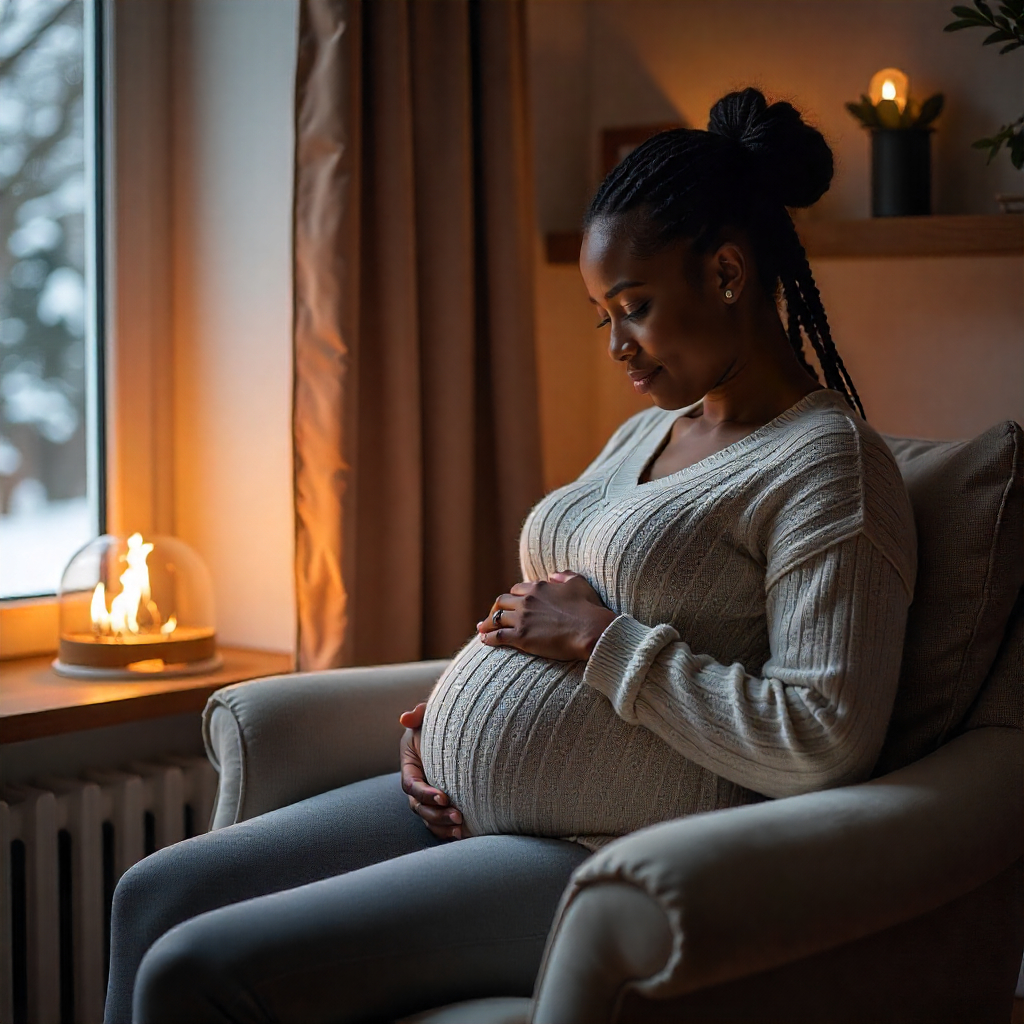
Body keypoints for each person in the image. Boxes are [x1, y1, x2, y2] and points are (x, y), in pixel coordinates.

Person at [106, 88, 916, 1024]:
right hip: (448, 798)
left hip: (598, 849)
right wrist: (440, 717)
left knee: (193, 969)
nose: (617, 344)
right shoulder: (648, 432)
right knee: (152, 897)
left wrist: (603, 643)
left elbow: (824, 735)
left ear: (729, 273)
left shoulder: (831, 467)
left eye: (636, 307)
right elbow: (550, 605)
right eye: (601, 314)